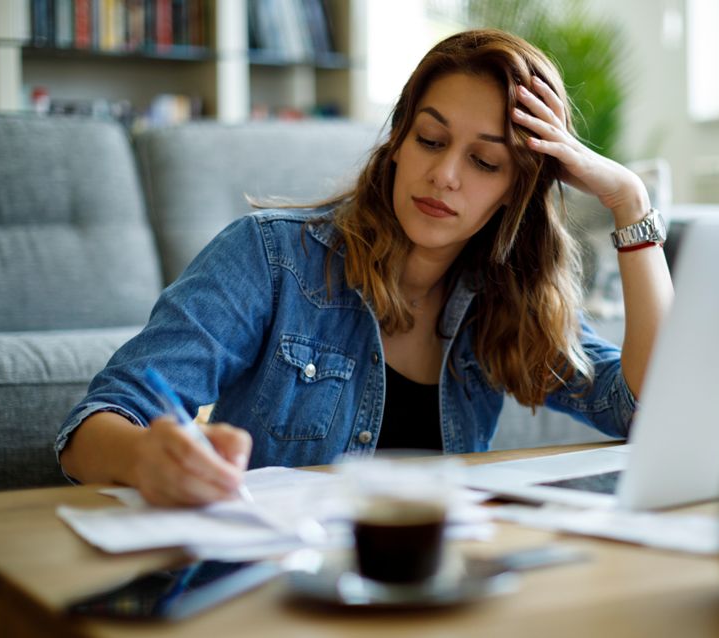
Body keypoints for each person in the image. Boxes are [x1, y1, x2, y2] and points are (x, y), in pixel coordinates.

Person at [56, 29, 674, 506]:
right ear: (399, 142)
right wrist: (148, 460)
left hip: (432, 580)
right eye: (430, 141)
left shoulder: (504, 297)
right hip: (280, 582)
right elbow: (92, 428)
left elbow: (650, 412)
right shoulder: (270, 258)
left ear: (515, 189)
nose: (445, 175)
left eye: (485, 162)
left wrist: (629, 202)